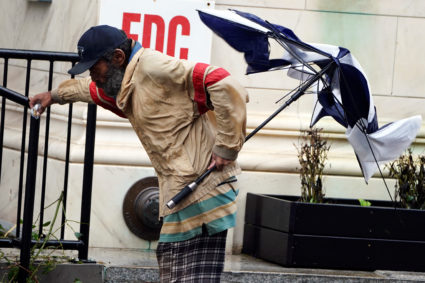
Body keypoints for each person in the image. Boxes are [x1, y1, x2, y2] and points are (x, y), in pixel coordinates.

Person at [30, 25, 248, 282]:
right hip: (183, 189)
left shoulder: (153, 67)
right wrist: (53, 96)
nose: (93, 75)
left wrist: (227, 148)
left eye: (94, 67)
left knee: (181, 271)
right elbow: (88, 89)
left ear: (118, 58)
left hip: (204, 188)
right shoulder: (124, 83)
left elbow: (222, 81)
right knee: (174, 266)